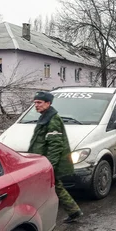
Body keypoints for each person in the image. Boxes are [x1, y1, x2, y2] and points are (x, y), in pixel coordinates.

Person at [28, 91, 83, 223]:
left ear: (48, 103)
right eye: (35, 102)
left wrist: (49, 166)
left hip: (50, 162)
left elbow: (55, 146)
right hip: (44, 160)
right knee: (55, 186)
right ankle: (74, 211)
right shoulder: (46, 116)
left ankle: (37, 214)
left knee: (51, 186)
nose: (36, 105)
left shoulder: (52, 120)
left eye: (39, 102)